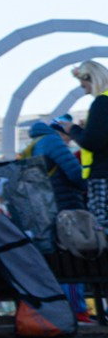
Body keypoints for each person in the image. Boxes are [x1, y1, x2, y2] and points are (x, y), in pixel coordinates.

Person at [75, 62, 108, 233]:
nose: (85, 90)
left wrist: (72, 130)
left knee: (102, 226)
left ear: (92, 80)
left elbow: (93, 142)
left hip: (103, 175)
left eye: (84, 85)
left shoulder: (102, 103)